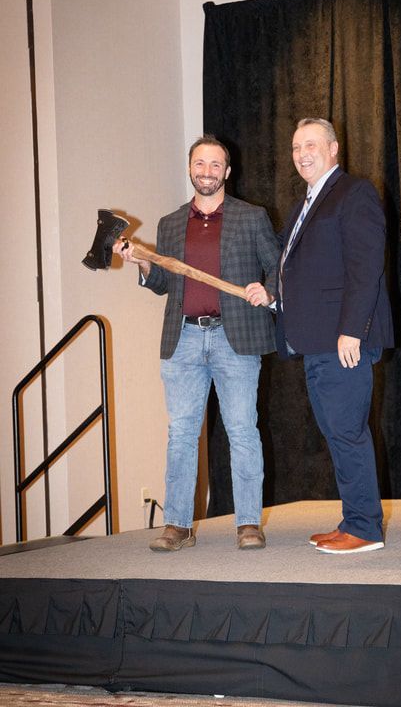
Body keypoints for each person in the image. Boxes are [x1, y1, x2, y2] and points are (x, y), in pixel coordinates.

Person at [116, 135, 280, 552]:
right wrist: (142, 264)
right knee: (182, 434)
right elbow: (164, 284)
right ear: (190, 169)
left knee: (242, 431)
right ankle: (178, 525)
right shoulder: (170, 223)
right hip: (183, 340)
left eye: (214, 165)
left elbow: (277, 265)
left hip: (234, 338)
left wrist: (270, 291)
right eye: (199, 164)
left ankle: (248, 524)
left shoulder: (251, 216)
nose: (206, 172)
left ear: (227, 171)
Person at [246, 118, 394, 554]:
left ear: (333, 148)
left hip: (342, 341)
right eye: (295, 147)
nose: (302, 153)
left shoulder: (354, 193)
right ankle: (355, 518)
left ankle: (365, 529)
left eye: (311, 144)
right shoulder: (305, 204)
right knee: (338, 432)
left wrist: (352, 330)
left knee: (347, 431)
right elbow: (301, 271)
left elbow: (366, 268)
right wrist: (272, 295)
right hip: (314, 341)